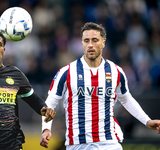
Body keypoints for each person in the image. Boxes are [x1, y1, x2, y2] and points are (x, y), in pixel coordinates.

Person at [40, 22, 160, 150]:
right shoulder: (66, 72)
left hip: (109, 142)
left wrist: (147, 121)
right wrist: (46, 129)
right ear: (82, 44)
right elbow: (50, 103)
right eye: (86, 41)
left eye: (95, 40)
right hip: (78, 143)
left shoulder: (116, 71)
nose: (90, 45)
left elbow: (126, 99)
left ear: (103, 43)